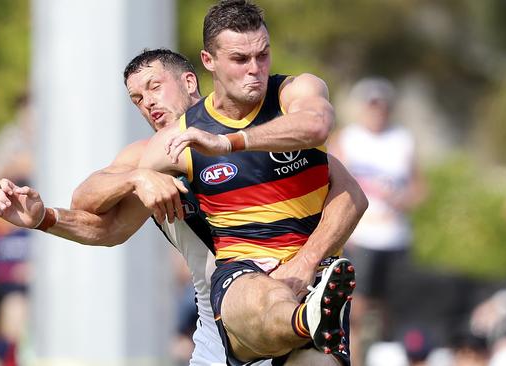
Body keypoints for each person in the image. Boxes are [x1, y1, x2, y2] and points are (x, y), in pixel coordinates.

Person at [0, 47, 367, 365]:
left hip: (299, 304)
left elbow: (351, 197)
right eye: (137, 98)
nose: (148, 102)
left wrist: (304, 263)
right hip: (221, 332)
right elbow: (105, 222)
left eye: (155, 87)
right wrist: (45, 217)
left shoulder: (248, 134)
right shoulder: (149, 158)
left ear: (189, 82)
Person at [137, 1, 364, 364]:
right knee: (259, 296)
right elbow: (104, 221)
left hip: (314, 273)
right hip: (242, 271)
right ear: (208, 61)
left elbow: (319, 128)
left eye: (263, 55)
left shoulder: (295, 92)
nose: (255, 70)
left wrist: (231, 142)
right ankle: (306, 320)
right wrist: (138, 178)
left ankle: (310, 317)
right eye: (241, 60)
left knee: (313, 345)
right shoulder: (176, 140)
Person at [330, 76, 426, 366]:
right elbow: (330, 185)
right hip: (362, 237)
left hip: (395, 237)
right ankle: (354, 360)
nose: (377, 111)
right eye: (371, 105)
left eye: (381, 106)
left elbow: (420, 188)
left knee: (392, 310)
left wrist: (402, 200)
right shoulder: (347, 139)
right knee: (356, 310)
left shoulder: (402, 140)